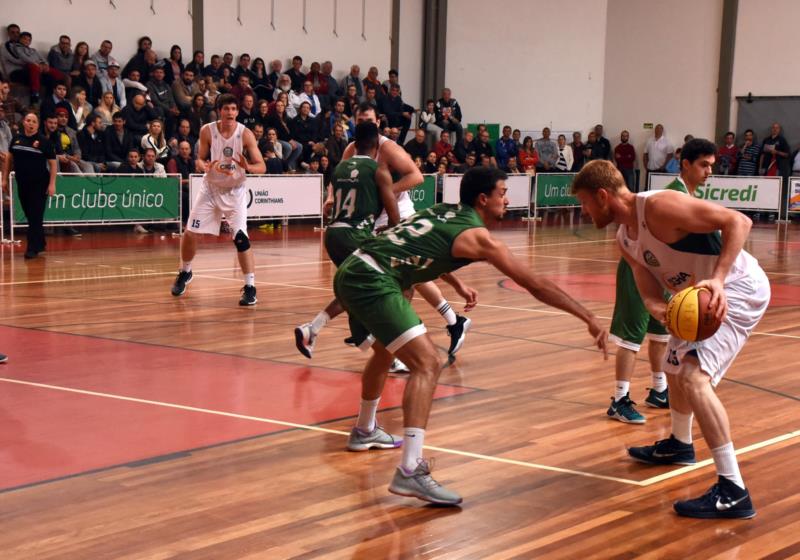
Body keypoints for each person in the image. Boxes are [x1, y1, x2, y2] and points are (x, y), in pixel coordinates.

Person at [332, 166, 608, 505]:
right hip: (373, 280)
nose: (507, 199)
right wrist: (588, 316)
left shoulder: (445, 210)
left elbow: (420, 245)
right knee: (428, 362)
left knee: (387, 351)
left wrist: (457, 283)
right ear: (483, 198)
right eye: (502, 192)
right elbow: (534, 283)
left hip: (356, 269)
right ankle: (410, 471)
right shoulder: (479, 238)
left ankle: (364, 430)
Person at [572, 148, 769, 519]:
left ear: (602, 196)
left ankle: (734, 489)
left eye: (585, 203)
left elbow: (738, 222)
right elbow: (644, 279)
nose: (585, 212)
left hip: (738, 288)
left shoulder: (660, 207)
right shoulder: (625, 238)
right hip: (694, 296)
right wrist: (654, 306)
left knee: (694, 377)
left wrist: (720, 279)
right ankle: (681, 444)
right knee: (674, 367)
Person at [296, 102, 473, 366]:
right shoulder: (351, 148)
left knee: (403, 272)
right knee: (377, 277)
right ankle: (396, 330)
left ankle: (429, 326)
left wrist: (384, 192)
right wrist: (331, 196)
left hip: (395, 211)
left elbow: (416, 176)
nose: (363, 121)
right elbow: (339, 176)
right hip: (367, 217)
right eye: (359, 118)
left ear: (377, 122)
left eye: (367, 118)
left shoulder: (388, 147)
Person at [605, 144, 710, 425]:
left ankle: (659, 389)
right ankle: (619, 398)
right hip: (639, 267)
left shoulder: (687, 194)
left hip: (662, 268)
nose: (708, 171)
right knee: (632, 334)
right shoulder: (672, 196)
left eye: (711, 165)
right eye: (703, 164)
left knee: (661, 329)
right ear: (684, 164)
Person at [296, 122, 399, 351]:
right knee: (386, 287)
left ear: (354, 143)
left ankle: (313, 330)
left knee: (355, 288)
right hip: (355, 235)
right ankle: (388, 351)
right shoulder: (378, 170)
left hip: (333, 234)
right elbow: (394, 216)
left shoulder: (340, 167)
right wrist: (386, 230)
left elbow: (333, 198)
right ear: (377, 144)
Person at [171, 94, 266, 305]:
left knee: (241, 238)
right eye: (226, 109)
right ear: (219, 111)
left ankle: (250, 287)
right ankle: (185, 272)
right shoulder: (207, 131)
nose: (230, 113)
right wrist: (203, 165)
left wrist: (248, 167)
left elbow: (262, 166)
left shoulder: (245, 134)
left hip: (235, 191)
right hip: (211, 188)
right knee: (190, 232)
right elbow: (200, 158)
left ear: (237, 112)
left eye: (234, 109)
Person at [1, 112, 57, 259]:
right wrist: (5, 179)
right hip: (22, 183)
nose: (31, 123)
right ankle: (41, 243)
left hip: (40, 185)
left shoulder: (44, 142)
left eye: (34, 121)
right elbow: (8, 158)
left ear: (38, 125)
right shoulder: (16, 139)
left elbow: (53, 163)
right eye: (28, 120)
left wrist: (52, 184)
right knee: (30, 215)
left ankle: (32, 248)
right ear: (24, 122)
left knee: (35, 216)